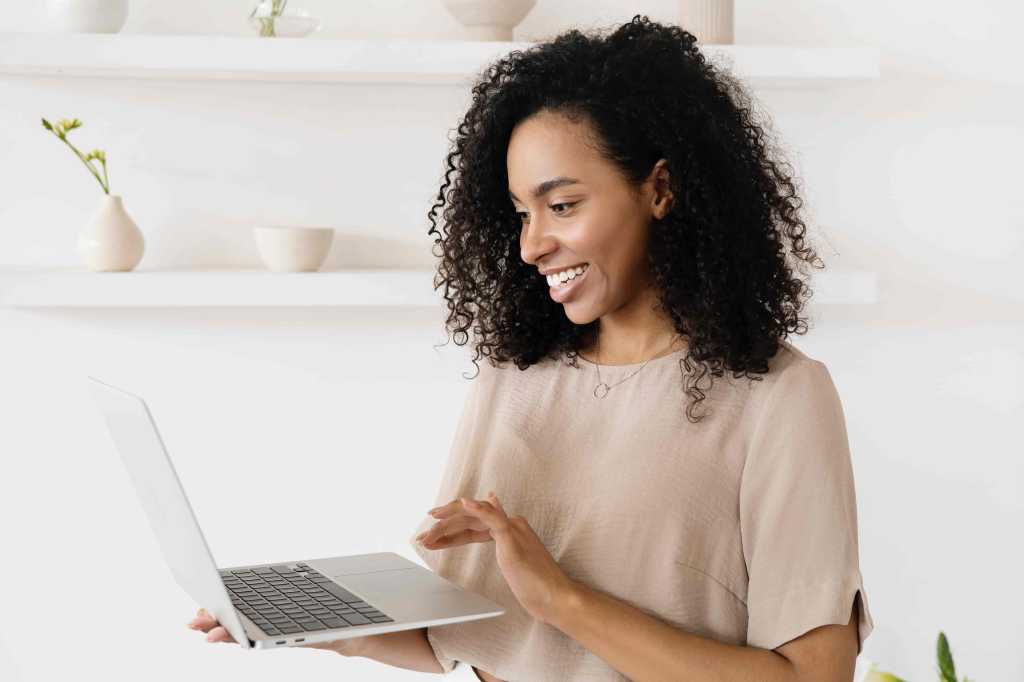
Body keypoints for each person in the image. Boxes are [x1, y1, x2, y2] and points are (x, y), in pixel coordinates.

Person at [190, 14, 874, 681]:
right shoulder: (513, 380)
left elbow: (815, 676)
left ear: (659, 189)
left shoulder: (778, 397)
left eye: (563, 205)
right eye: (522, 213)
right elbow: (464, 635)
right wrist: (321, 623)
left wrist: (563, 601)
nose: (532, 244)